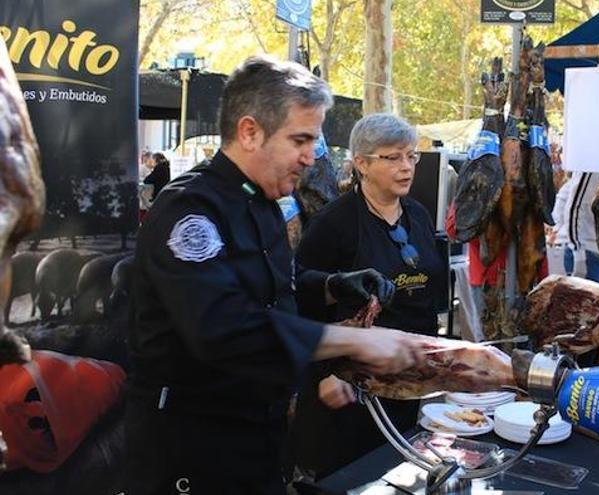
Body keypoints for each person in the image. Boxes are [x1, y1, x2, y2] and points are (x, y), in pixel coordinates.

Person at [124, 56, 422, 495]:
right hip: (192, 453)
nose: (311, 157)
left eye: (314, 141)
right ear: (250, 132)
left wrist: (333, 284)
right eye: (300, 140)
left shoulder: (263, 200)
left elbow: (275, 289)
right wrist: (354, 341)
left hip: (259, 443)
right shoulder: (190, 211)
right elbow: (223, 327)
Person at [292, 113, 445, 477]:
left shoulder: (418, 216)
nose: (406, 166)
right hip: (349, 386)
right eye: (392, 157)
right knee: (354, 477)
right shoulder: (333, 223)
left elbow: (428, 297)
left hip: (410, 380)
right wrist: (322, 377)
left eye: (411, 156)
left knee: (405, 476)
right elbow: (300, 300)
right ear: (361, 162)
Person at [551, 171, 599, 284]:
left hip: (598, 250)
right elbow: (574, 206)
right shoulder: (590, 168)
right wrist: (578, 251)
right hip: (584, 249)